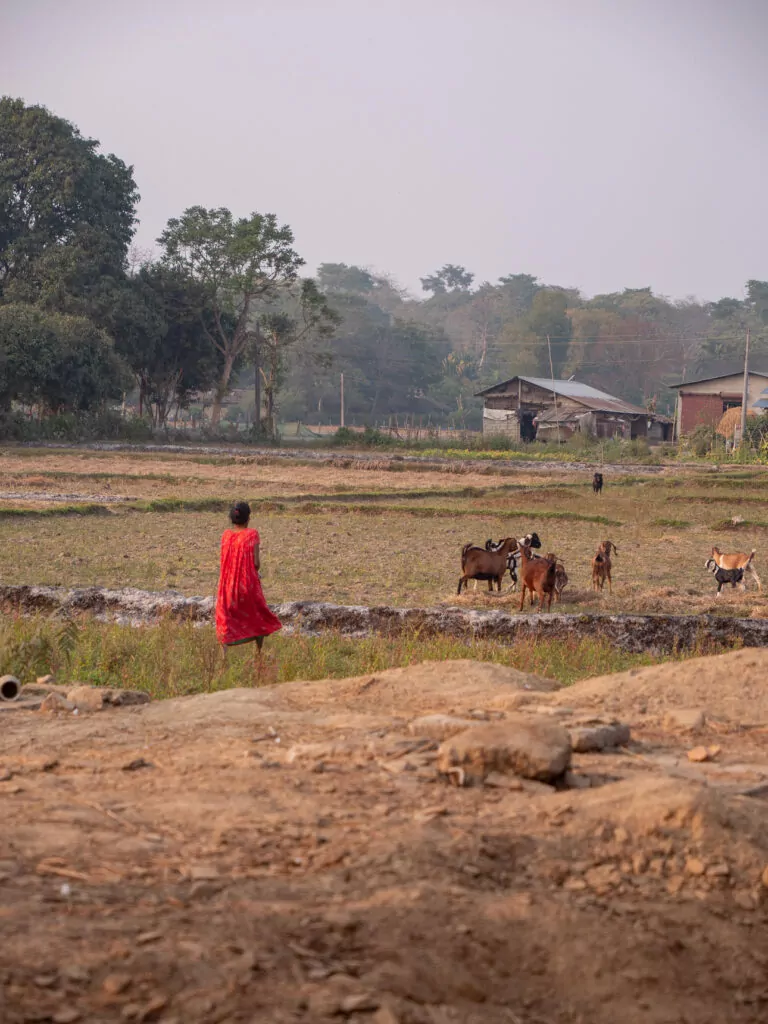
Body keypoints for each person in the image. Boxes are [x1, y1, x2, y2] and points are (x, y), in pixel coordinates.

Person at [215, 501, 282, 654]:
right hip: (246, 583)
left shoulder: (226, 535)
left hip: (226, 585)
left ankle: (223, 654)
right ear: (248, 518)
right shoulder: (252, 534)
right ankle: (258, 651)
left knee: (225, 616)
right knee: (258, 614)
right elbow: (256, 563)